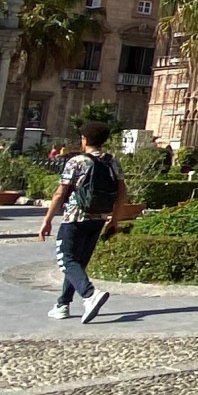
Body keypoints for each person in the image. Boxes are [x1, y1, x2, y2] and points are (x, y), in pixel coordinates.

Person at [38, 120, 128, 323]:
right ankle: (62, 304)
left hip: (75, 217)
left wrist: (47, 220)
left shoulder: (77, 161)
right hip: (99, 218)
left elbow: (60, 193)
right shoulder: (112, 161)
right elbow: (123, 192)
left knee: (66, 260)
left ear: (85, 139)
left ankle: (90, 294)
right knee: (78, 263)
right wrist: (114, 219)